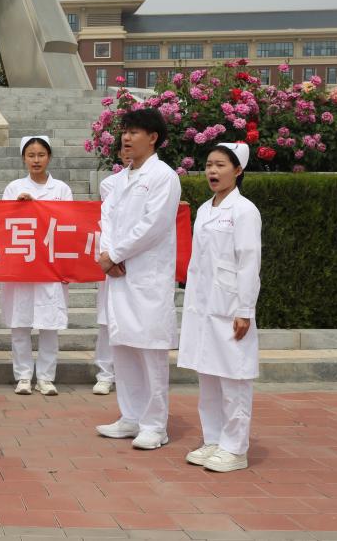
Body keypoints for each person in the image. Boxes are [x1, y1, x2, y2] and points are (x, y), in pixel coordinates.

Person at [96, 108, 182, 450]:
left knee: (150, 351)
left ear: (153, 138)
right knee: (124, 348)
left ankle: (155, 425)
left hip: (147, 276)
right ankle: (130, 416)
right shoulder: (120, 179)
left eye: (134, 132)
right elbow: (106, 219)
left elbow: (153, 225)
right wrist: (107, 254)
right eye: (125, 131)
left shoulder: (164, 176)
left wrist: (116, 254)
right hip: (119, 275)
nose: (126, 138)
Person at [178, 143, 261, 472]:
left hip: (230, 306)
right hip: (203, 307)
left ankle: (235, 448)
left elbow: (249, 262)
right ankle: (213, 439)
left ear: (237, 171)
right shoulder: (204, 209)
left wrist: (245, 310)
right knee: (208, 376)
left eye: (221, 165)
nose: (212, 171)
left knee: (233, 377)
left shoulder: (244, 210)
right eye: (209, 164)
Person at [0, 136, 73, 396]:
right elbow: (2, 223)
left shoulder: (61, 189)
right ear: (23, 158)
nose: (36, 160)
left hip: (50, 266)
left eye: (41, 155)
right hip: (21, 265)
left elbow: (68, 223)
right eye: (31, 155)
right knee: (20, 324)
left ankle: (45, 377)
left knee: (49, 325)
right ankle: (22, 376)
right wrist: (17, 208)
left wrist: (39, 208)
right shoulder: (14, 187)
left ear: (49, 157)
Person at [92, 149, 130, 396]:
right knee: (108, 320)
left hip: (139, 261)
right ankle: (105, 373)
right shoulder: (109, 184)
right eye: (124, 147)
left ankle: (129, 376)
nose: (129, 152)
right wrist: (110, 256)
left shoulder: (160, 179)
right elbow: (107, 222)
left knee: (134, 320)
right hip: (113, 260)